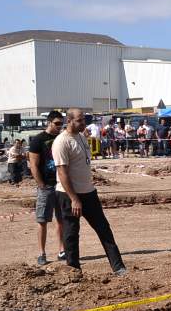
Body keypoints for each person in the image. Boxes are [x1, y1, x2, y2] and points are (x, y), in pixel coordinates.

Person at [53, 108, 126, 276]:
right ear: (69, 121)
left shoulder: (81, 136)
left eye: (84, 120)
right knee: (71, 233)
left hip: (89, 192)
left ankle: (118, 267)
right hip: (68, 194)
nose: (83, 123)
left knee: (103, 229)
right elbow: (62, 172)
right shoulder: (61, 142)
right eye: (80, 120)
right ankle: (74, 271)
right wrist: (74, 199)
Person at [28, 110, 65, 266]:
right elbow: (34, 165)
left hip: (61, 184)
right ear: (49, 122)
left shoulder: (61, 138)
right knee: (42, 220)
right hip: (47, 185)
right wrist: (41, 185)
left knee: (61, 219)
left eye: (61, 124)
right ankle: (42, 253)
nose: (59, 126)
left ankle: (62, 250)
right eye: (57, 124)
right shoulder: (38, 140)